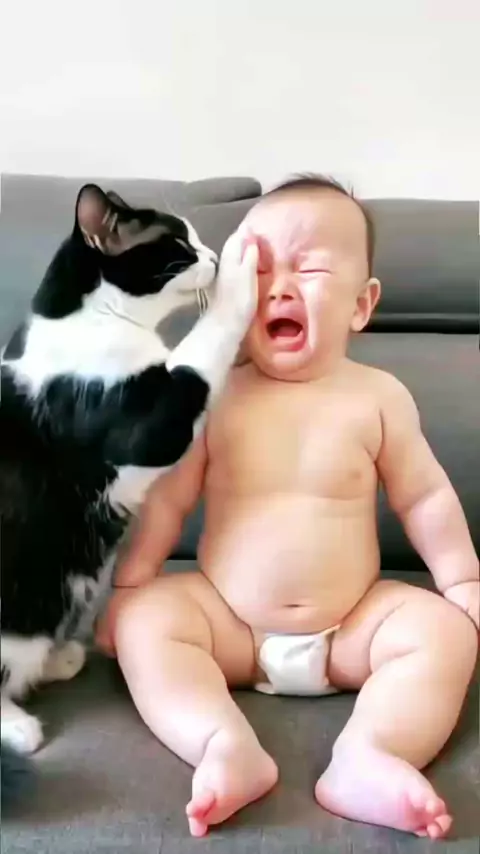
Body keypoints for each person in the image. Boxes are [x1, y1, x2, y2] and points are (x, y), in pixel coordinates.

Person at [96, 175, 479, 840]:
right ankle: (222, 744)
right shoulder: (215, 396)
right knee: (146, 621)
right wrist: (130, 588)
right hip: (229, 627)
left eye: (310, 268)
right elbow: (170, 499)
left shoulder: (378, 397)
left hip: (354, 628)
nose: (277, 286)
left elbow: (425, 498)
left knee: (445, 633)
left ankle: (372, 752)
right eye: (258, 269)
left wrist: (463, 582)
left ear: (361, 304)